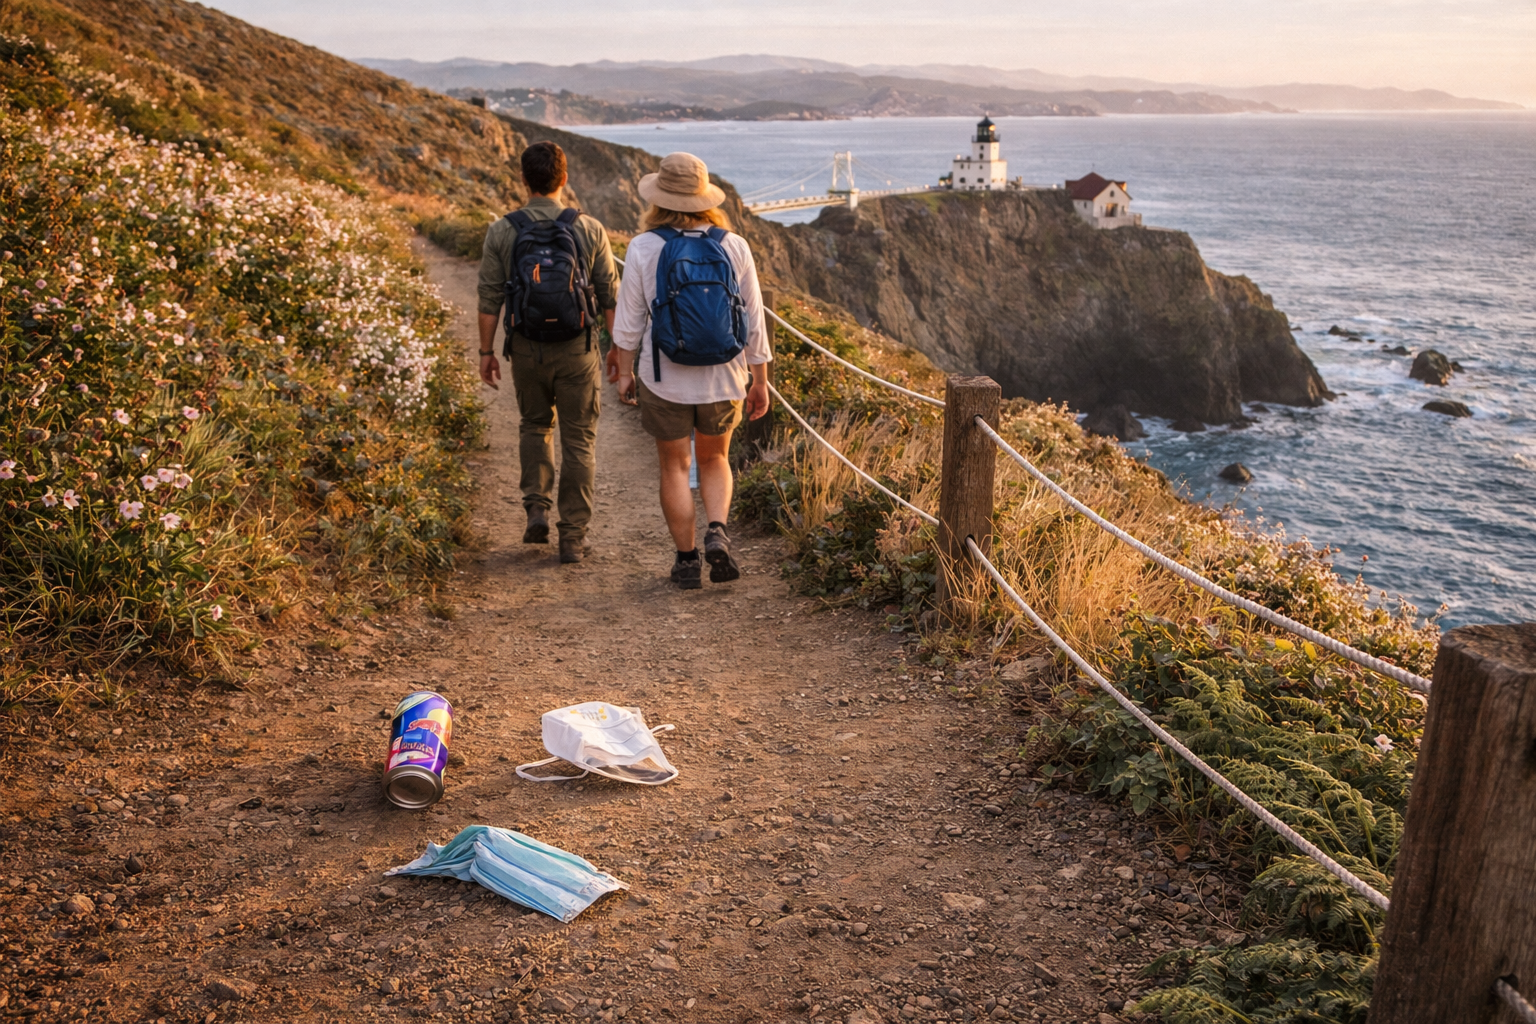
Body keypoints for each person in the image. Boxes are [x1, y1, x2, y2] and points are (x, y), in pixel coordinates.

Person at [608, 152, 771, 589]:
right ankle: (717, 530)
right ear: (704, 198)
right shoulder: (732, 244)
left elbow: (628, 323)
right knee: (716, 459)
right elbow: (753, 320)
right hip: (725, 375)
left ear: (658, 198)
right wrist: (760, 381)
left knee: (675, 467)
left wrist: (625, 374)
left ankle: (685, 561)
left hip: (665, 377)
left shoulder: (644, 247)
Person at [478, 141, 619, 564]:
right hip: (578, 348)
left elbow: (489, 298)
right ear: (565, 177)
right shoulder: (589, 228)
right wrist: (617, 351)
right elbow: (610, 295)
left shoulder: (504, 229)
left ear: (524, 179)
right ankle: (573, 536)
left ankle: (536, 506)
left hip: (526, 348)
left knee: (535, 424)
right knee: (579, 439)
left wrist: (486, 351)